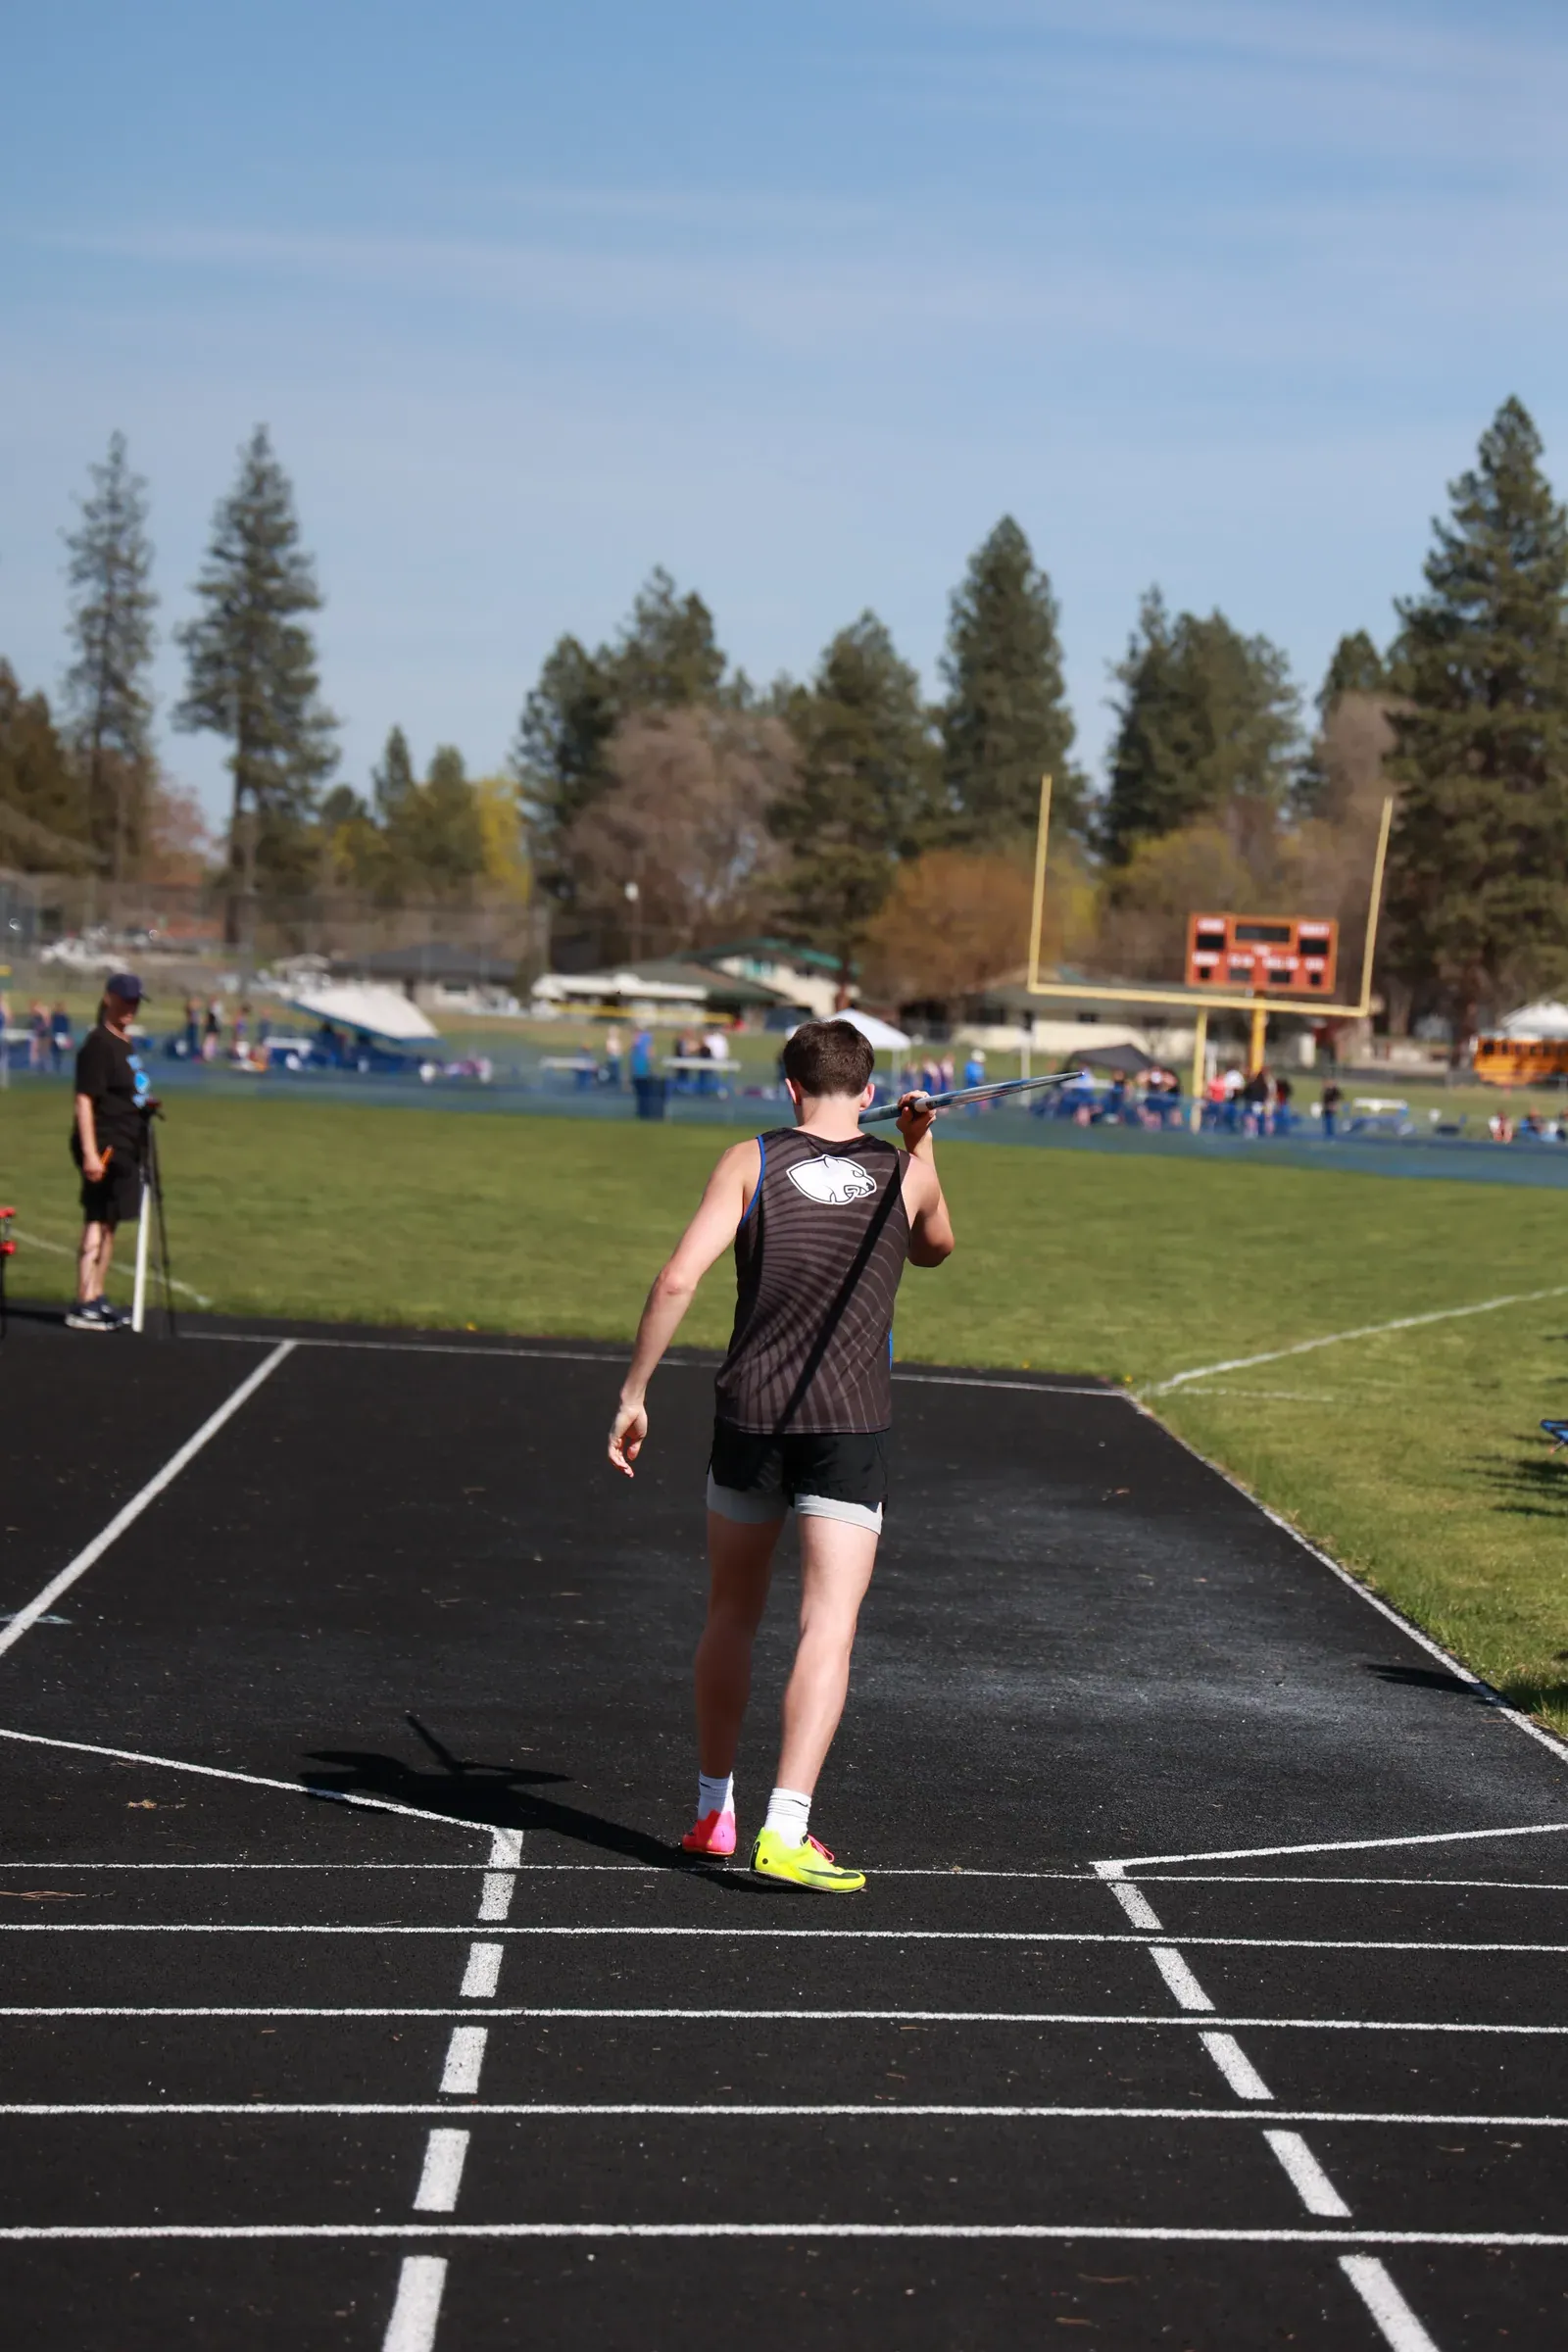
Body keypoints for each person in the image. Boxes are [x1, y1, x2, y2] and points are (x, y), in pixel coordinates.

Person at [608, 1017, 956, 1893]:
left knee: (731, 1613)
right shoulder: (902, 1171)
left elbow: (677, 1278)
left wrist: (634, 1394)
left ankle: (712, 1811)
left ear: (789, 1088)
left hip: (749, 1416)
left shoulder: (749, 1159)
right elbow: (938, 1247)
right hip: (848, 1425)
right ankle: (786, 1828)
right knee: (826, 1622)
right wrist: (920, 1148)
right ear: (870, 1091)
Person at [66, 972, 153, 1333]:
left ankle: (97, 1295)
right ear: (109, 999)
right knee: (97, 1219)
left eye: (135, 1002)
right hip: (103, 1144)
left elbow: (130, 1089)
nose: (131, 1008)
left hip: (127, 1145)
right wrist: (89, 1152)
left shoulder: (125, 1044)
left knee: (112, 1221)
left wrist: (145, 1103)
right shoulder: (98, 1044)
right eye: (125, 1000)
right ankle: (83, 1300)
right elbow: (85, 1100)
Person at [1320, 1076, 1343, 1140]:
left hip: (1331, 1108)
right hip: (1326, 1108)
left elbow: (1338, 1098)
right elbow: (1324, 1100)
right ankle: (1327, 1133)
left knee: (1330, 1121)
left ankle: (1330, 1134)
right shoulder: (1326, 1091)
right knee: (1326, 1121)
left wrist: (1334, 1105)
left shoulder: (1334, 1091)